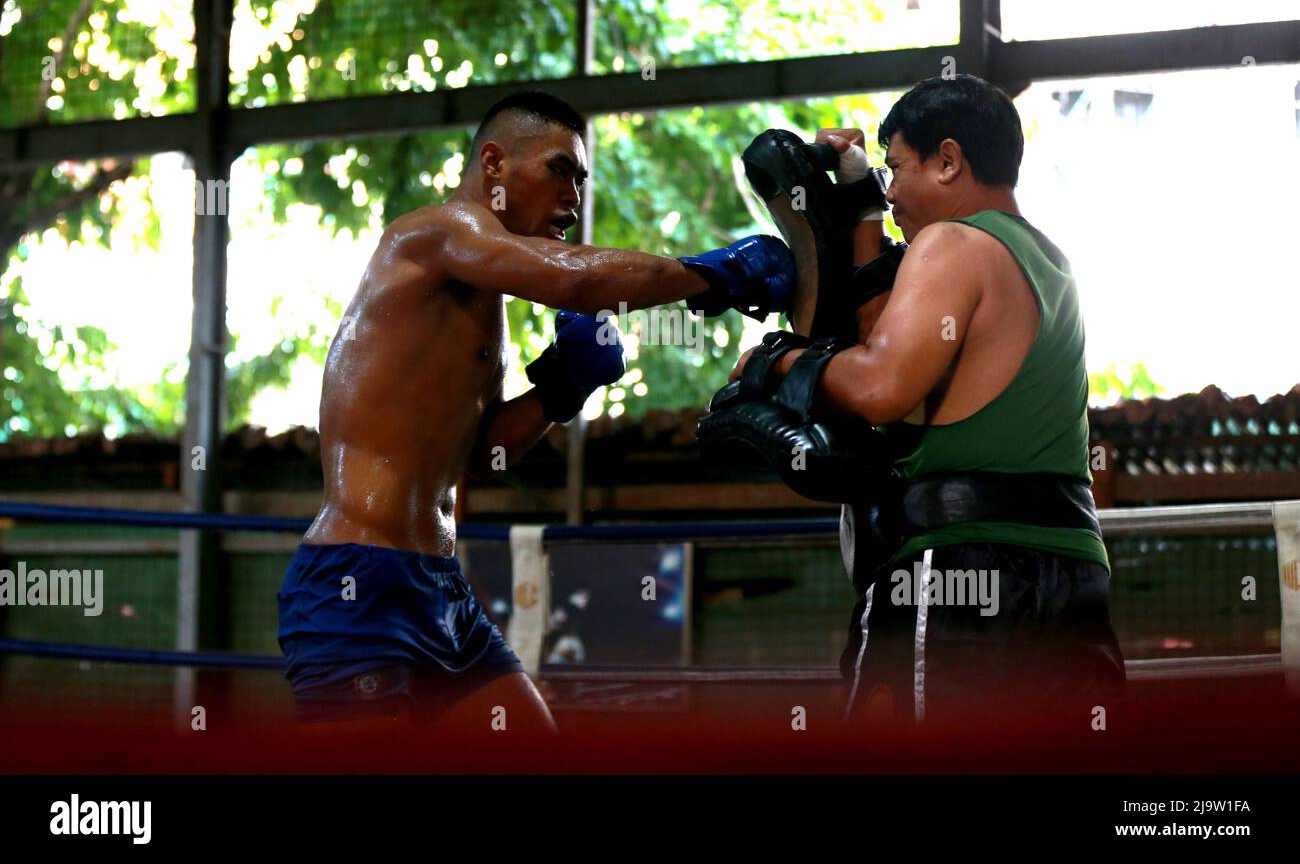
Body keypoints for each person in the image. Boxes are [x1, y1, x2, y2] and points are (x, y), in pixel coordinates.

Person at [277, 90, 793, 731]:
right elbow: (575, 279)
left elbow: (481, 456)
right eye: (559, 169)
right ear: (494, 163)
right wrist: (714, 274)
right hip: (357, 584)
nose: (573, 197)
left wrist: (560, 388)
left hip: (439, 588)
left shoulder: (478, 297)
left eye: (582, 179)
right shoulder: (434, 233)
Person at [730, 75, 1125, 728]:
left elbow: (879, 385)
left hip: (962, 570)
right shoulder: (1048, 261)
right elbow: (889, 337)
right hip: (1070, 577)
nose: (890, 192)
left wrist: (775, 362)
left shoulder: (952, 242)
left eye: (896, 170)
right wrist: (861, 202)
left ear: (948, 160)